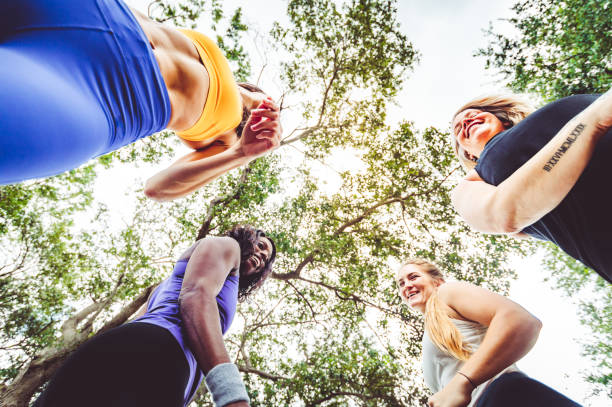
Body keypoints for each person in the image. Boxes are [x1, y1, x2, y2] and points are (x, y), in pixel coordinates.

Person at [0, 0, 281, 200]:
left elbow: (157, 188)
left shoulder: (229, 142)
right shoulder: (228, 75)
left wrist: (243, 153)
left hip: (106, 99)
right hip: (96, 12)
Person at [34, 225, 276, 407]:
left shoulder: (167, 286)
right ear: (248, 237)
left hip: (126, 352)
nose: (262, 256)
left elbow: (136, 322)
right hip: (155, 355)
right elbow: (195, 296)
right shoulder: (227, 246)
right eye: (261, 246)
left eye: (265, 260)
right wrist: (231, 394)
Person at [450, 89, 612, 283]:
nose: (467, 121)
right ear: (469, 155)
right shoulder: (473, 183)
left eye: (473, 114)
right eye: (459, 129)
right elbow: (504, 212)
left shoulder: (546, 117)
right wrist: (592, 121)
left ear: (504, 119)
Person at [396, 258, 581, 407]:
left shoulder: (446, 292)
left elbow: (519, 320)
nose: (407, 286)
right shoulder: (430, 330)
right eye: (401, 283)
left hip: (504, 396)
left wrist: (462, 383)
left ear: (437, 281)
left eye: (413, 277)